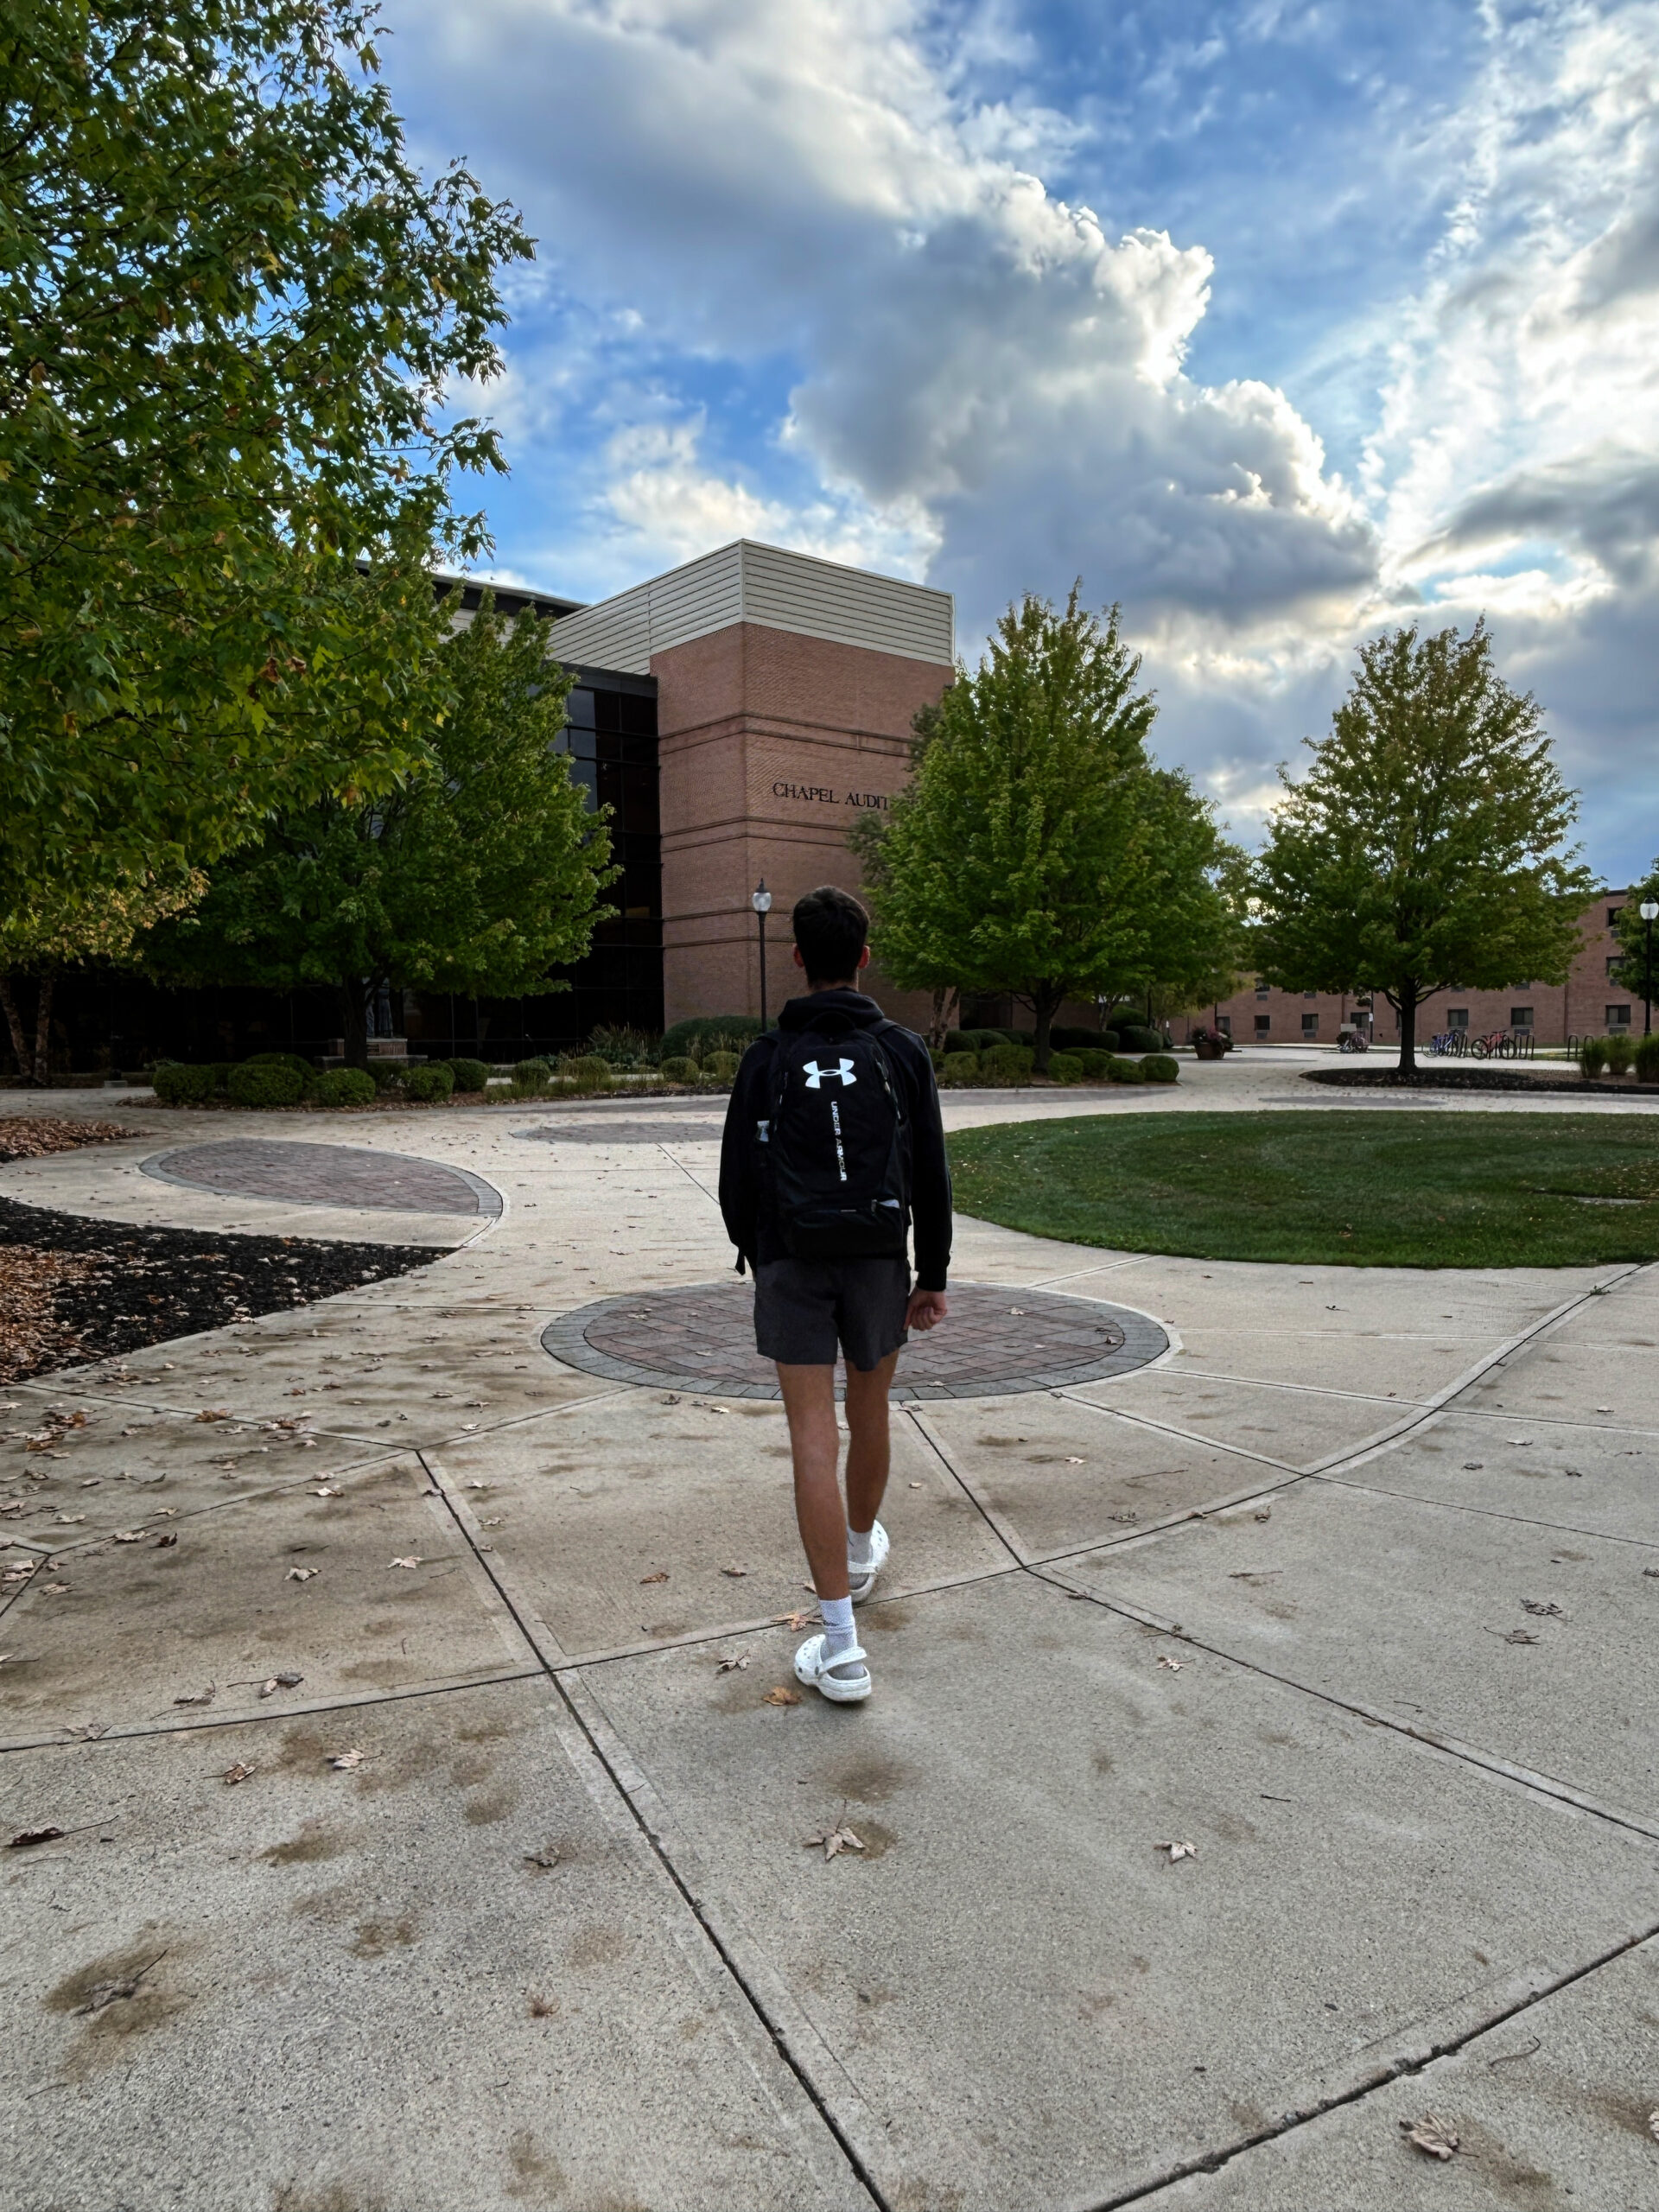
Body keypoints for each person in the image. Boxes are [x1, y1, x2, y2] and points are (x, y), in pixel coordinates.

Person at [720, 885, 951, 1705]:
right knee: (872, 1412)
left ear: (796, 959)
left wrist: (762, 1252)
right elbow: (930, 1169)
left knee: (812, 1437)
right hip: (879, 1258)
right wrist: (933, 1273)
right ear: (863, 955)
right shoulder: (902, 1051)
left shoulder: (766, 1056)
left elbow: (735, 1179)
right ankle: (859, 1552)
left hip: (792, 1257)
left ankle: (842, 1647)